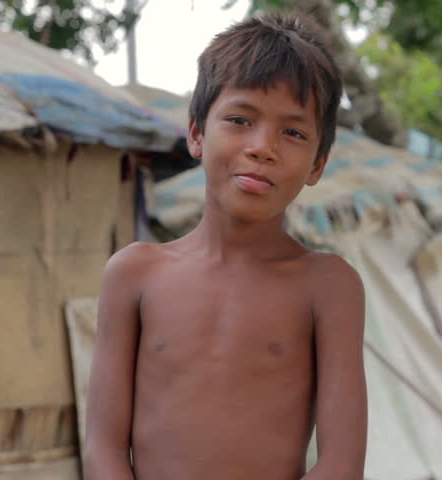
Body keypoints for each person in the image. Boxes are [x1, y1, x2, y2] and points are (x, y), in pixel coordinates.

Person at [83, 12, 367, 480]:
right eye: (240, 119)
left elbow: (341, 464)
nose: (263, 147)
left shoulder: (328, 286)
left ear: (318, 164)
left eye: (292, 132)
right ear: (196, 133)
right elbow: (103, 449)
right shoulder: (134, 274)